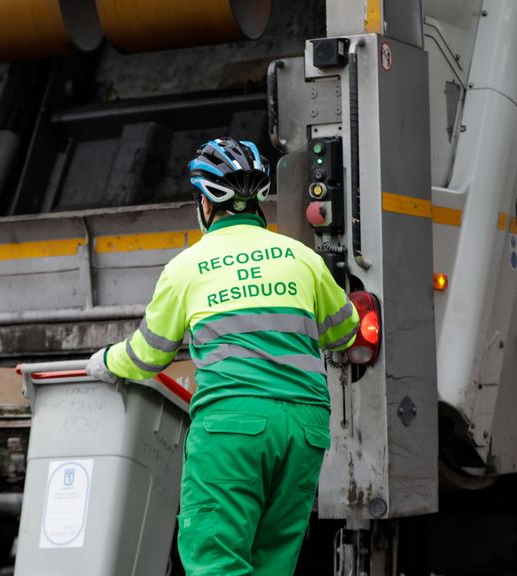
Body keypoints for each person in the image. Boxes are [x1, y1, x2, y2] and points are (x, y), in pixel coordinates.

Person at [86, 137, 359, 575]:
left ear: (207, 205)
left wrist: (103, 362)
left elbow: (147, 356)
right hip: (305, 431)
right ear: (258, 201)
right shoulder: (303, 258)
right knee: (273, 562)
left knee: (216, 560)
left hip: (234, 428)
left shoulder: (187, 267)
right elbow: (346, 334)